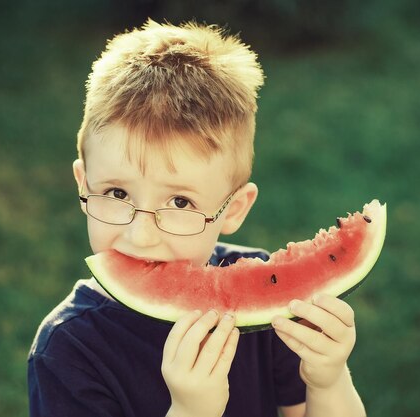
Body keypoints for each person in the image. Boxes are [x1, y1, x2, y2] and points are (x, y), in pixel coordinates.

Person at [28, 19, 366, 417]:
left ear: (233, 209)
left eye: (181, 203)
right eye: (117, 193)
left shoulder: (273, 310)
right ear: (83, 183)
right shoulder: (69, 349)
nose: (141, 235)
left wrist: (329, 381)